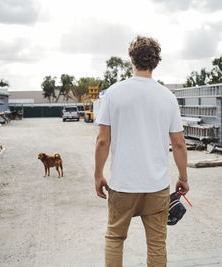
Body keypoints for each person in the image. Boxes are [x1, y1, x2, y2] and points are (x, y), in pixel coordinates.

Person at [94, 35, 189, 267]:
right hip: (156, 186)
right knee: (157, 243)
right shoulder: (168, 97)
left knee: (115, 238)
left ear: (132, 59)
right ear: (156, 62)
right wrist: (183, 178)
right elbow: (178, 143)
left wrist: (98, 174)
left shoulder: (113, 94)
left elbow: (103, 141)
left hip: (122, 184)